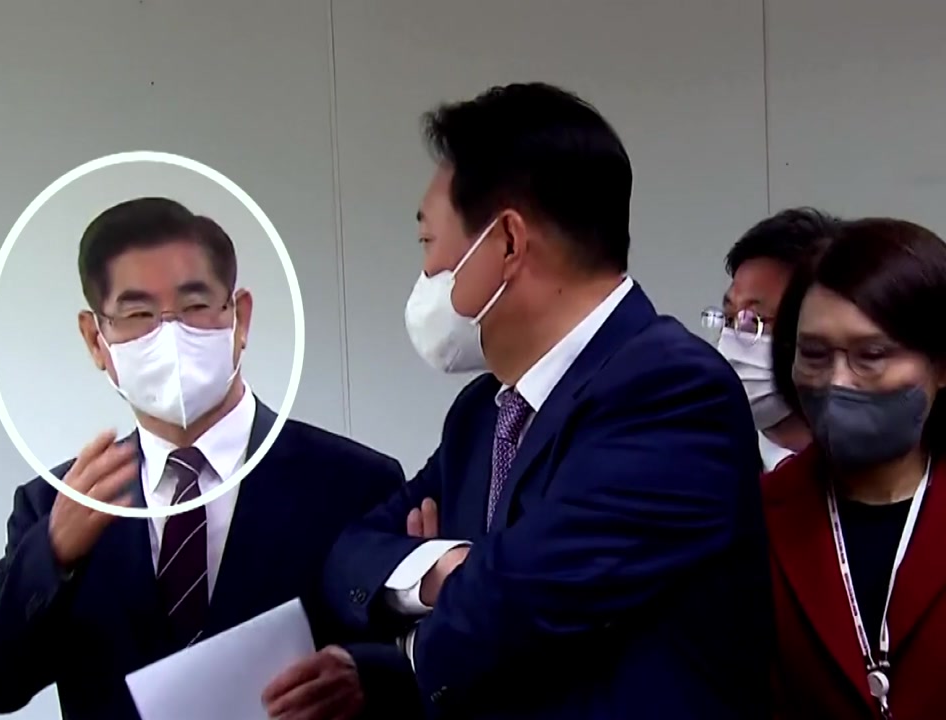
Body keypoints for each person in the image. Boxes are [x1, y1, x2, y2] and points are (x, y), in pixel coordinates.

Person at [321, 83, 772, 719]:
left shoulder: (671, 390)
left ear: (507, 242)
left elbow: (515, 603)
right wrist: (442, 569)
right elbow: (350, 554)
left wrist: (437, 611)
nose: (425, 273)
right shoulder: (484, 411)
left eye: (428, 243)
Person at [0, 197, 406, 720]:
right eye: (138, 314)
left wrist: (366, 676)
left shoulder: (353, 482)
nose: (170, 335)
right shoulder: (54, 504)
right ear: (96, 340)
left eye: (195, 306)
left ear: (239, 317)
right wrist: (52, 553)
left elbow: (422, 662)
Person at [761, 217, 946, 720]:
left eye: (871, 355)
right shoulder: (755, 516)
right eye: (814, 354)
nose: (837, 381)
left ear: (942, 364)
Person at [710, 208, 838, 470]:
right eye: (729, 318)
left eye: (754, 320)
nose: (730, 342)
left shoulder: (886, 471)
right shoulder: (705, 463)